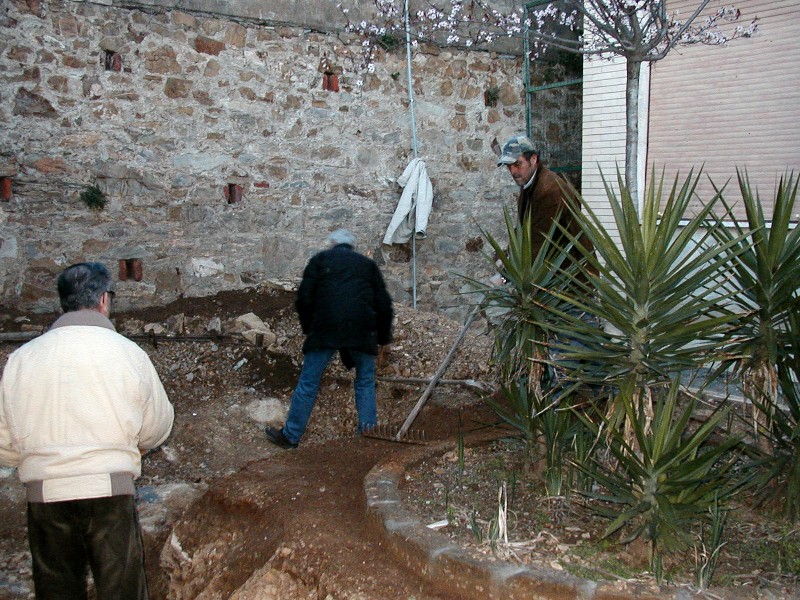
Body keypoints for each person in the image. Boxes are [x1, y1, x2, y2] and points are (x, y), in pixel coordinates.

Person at [0, 262, 174, 600]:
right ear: (105, 300)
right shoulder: (128, 353)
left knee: (57, 591)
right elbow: (157, 427)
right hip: (109, 491)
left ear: (61, 303)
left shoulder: (22, 358)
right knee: (121, 590)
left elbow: (4, 441)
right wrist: (130, 448)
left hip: (46, 495)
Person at [265, 229, 393, 449]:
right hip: (361, 329)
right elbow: (384, 306)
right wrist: (382, 338)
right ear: (352, 246)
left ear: (333, 244)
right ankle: (369, 433)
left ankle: (291, 436)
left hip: (325, 328)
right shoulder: (367, 265)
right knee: (364, 381)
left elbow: (304, 299)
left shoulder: (319, 260)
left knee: (308, 383)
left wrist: (310, 329)